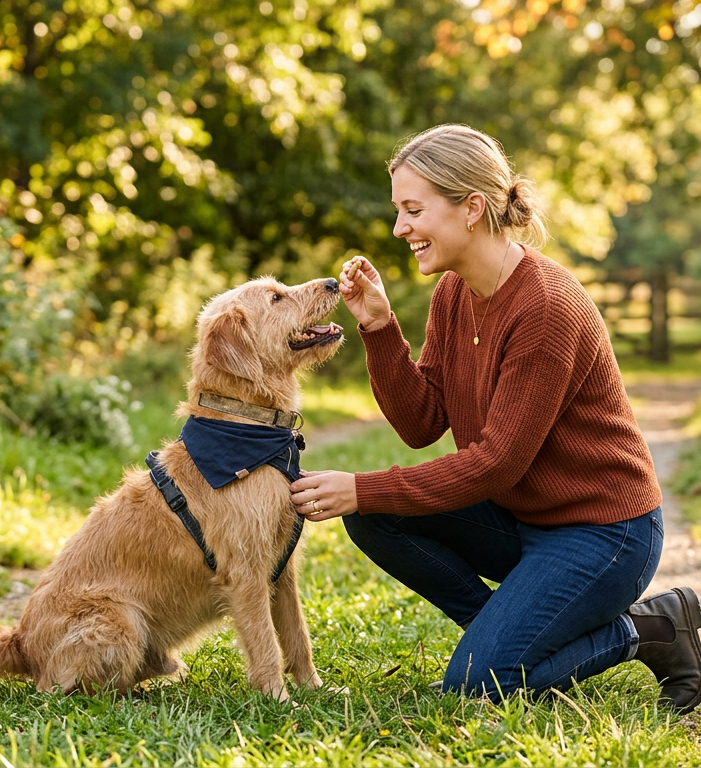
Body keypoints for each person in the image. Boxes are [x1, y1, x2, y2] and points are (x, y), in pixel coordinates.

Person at [289, 123, 701, 711]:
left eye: (413, 209)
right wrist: (378, 328)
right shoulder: (454, 292)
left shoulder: (546, 308)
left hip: (603, 533)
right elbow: (423, 422)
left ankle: (650, 627)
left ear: (471, 208)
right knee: (377, 516)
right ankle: (505, 645)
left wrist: (359, 486)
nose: (400, 227)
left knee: (478, 687)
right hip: (522, 520)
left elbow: (496, 464)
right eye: (399, 211)